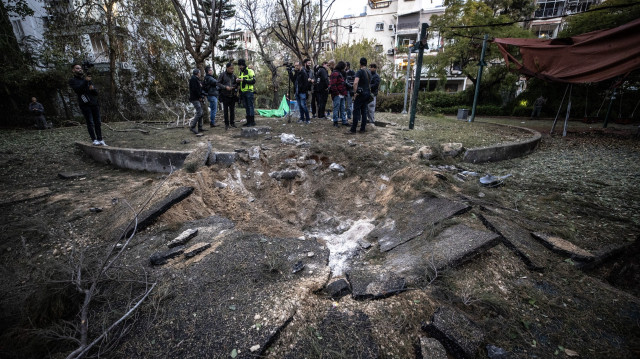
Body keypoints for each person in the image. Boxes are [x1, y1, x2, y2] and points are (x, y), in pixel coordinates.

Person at [69, 63, 106, 146]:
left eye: (80, 68)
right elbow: (78, 90)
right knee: (90, 122)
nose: (80, 69)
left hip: (94, 103)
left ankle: (100, 139)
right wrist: (86, 81)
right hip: (85, 104)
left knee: (98, 122)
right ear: (73, 70)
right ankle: (94, 140)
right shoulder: (73, 81)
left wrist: (92, 89)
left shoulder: (87, 79)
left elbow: (96, 93)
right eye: (77, 68)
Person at [349, 57, 371, 134]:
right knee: (364, 111)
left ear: (360, 63)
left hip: (360, 94)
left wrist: (355, 92)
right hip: (367, 93)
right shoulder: (369, 72)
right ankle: (362, 129)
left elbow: (355, 83)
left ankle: (353, 129)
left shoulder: (360, 71)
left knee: (356, 111)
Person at [217, 62, 238, 130]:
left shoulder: (234, 76)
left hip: (232, 95)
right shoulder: (222, 75)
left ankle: (232, 122)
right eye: (231, 69)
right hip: (225, 95)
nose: (232, 70)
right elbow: (218, 83)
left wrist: (234, 87)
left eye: (233, 69)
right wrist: (225, 87)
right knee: (225, 111)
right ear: (227, 68)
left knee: (232, 110)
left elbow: (236, 84)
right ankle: (226, 124)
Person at [237, 59, 257, 127]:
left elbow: (253, 81)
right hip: (243, 92)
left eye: (241, 65)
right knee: (246, 107)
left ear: (244, 65)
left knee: (250, 106)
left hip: (249, 91)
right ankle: (248, 121)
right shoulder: (240, 73)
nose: (240, 67)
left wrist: (243, 80)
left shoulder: (250, 71)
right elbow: (240, 83)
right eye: (239, 65)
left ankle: (252, 121)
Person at [329, 61, 348, 127]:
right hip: (337, 94)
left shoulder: (339, 73)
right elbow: (333, 84)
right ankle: (335, 122)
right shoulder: (335, 73)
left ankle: (344, 121)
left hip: (342, 93)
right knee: (336, 108)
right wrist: (337, 93)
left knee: (342, 108)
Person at [188, 69, 205, 134]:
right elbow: (195, 89)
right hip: (195, 98)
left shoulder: (197, 79)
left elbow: (199, 89)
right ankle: (192, 127)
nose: (200, 74)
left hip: (197, 98)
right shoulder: (193, 79)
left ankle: (200, 128)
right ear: (197, 73)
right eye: (199, 72)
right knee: (199, 112)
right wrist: (199, 97)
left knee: (201, 113)